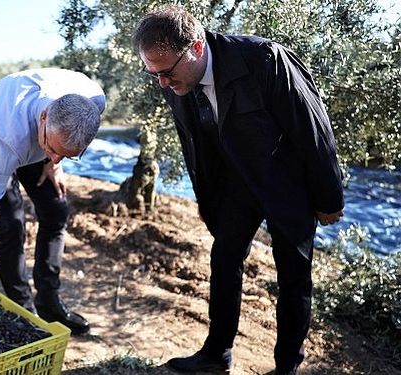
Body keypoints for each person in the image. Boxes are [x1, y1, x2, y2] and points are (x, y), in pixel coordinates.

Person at [133, 5, 344, 375]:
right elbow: (194, 144)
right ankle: (217, 354)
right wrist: (205, 198)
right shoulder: (173, 80)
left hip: (287, 184)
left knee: (294, 276)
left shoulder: (264, 59)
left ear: (196, 47)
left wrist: (329, 198)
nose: (162, 84)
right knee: (223, 260)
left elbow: (314, 129)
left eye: (166, 72)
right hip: (235, 185)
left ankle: (286, 368)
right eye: (153, 74)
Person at [0, 68, 105, 335]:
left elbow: (61, 141)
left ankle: (49, 301)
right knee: (11, 223)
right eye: (52, 149)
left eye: (66, 155)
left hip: (40, 135)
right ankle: (23, 308)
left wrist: (53, 161)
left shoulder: (94, 99)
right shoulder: (3, 139)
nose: (56, 156)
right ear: (43, 116)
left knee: (56, 210)